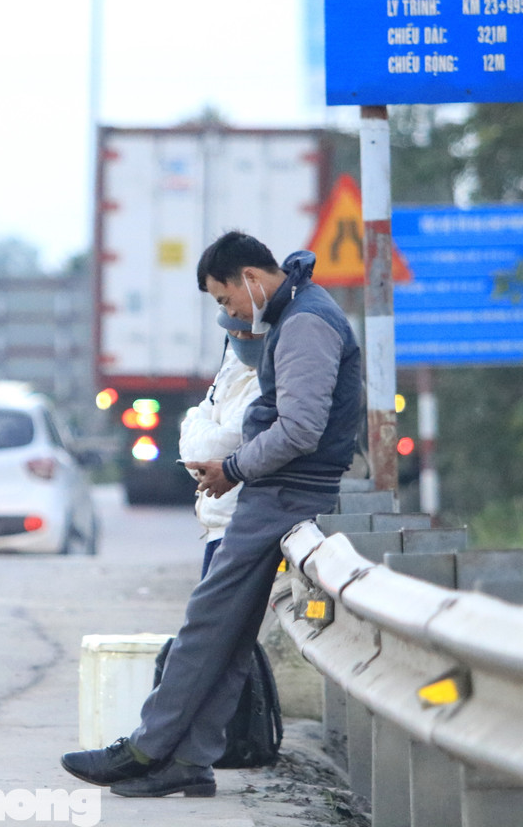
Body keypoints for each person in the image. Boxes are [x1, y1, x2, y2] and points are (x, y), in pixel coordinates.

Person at [61, 231, 362, 799]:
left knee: (205, 627)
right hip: (281, 490)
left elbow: (299, 429)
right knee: (227, 639)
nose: (229, 314)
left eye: (225, 300)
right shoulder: (299, 312)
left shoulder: (304, 324)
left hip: (284, 493)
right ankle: (190, 762)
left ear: (250, 277)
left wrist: (233, 468)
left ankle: (146, 749)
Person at [179, 309, 263, 578]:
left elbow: (216, 447)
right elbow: (201, 444)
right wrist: (203, 427)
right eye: (233, 331)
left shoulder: (268, 383)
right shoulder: (231, 368)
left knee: (211, 618)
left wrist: (200, 426)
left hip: (239, 527)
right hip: (217, 524)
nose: (241, 338)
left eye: (248, 331)